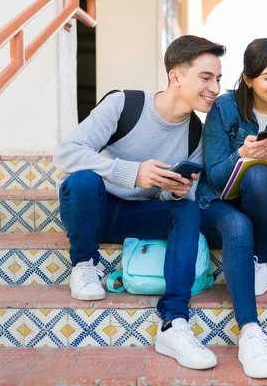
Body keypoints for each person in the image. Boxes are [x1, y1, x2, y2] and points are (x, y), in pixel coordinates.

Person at [53, 35, 225, 370]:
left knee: (187, 209)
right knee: (83, 180)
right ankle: (84, 265)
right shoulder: (124, 104)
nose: (215, 88)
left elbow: (184, 193)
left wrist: (173, 190)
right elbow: (66, 152)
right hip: (95, 209)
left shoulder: (195, 132)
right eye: (206, 77)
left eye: (218, 79)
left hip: (138, 216)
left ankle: (174, 321)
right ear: (176, 76)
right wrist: (132, 173)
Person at [197, 38, 267, 379]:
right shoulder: (224, 109)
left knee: (260, 177)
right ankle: (250, 333)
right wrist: (242, 155)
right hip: (220, 204)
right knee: (238, 224)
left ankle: (262, 258)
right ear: (250, 79)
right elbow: (212, 174)